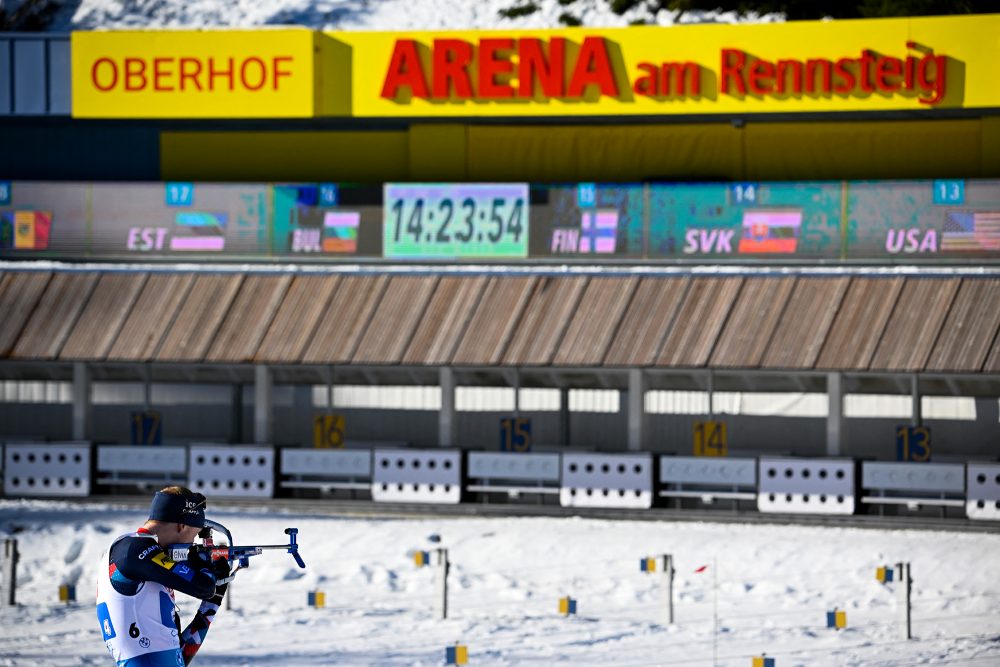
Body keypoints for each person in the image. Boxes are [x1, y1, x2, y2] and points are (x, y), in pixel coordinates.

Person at [96, 486, 232, 666]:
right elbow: (202, 586)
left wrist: (214, 598)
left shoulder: (143, 557)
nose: (191, 545)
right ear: (182, 525)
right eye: (192, 538)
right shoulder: (132, 549)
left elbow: (178, 656)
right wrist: (205, 567)